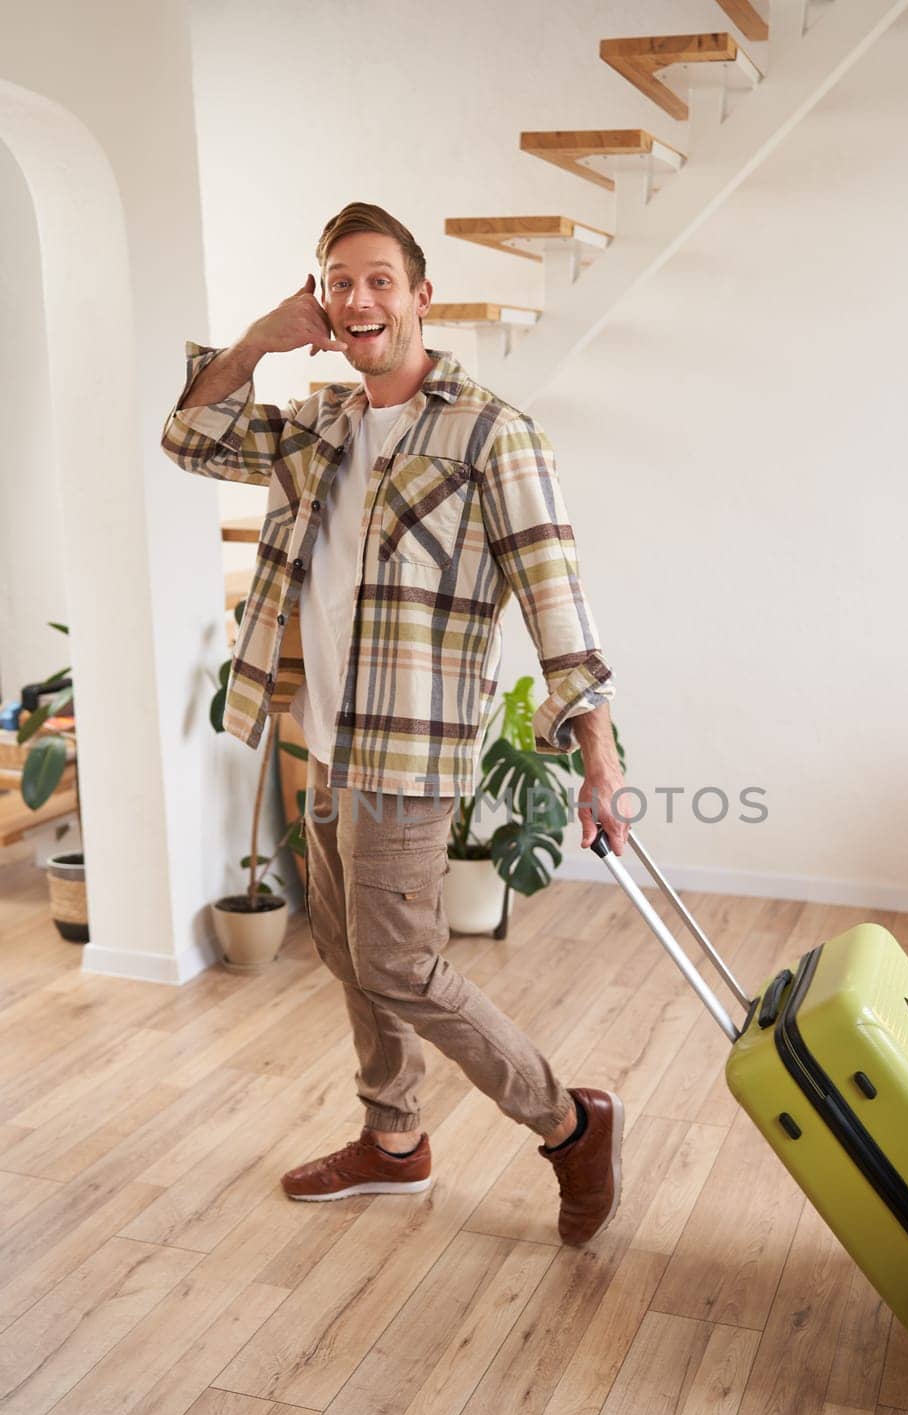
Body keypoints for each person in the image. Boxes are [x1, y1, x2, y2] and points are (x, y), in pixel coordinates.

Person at [161, 201, 632, 1246]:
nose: (358, 296)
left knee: (399, 963)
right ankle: (394, 1139)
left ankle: (566, 1123)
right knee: (342, 948)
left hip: (409, 754)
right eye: (339, 280)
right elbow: (189, 435)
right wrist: (256, 343)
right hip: (325, 740)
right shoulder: (319, 428)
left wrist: (598, 755)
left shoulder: (490, 434)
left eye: (379, 278)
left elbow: (555, 595)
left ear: (422, 296)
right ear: (321, 300)